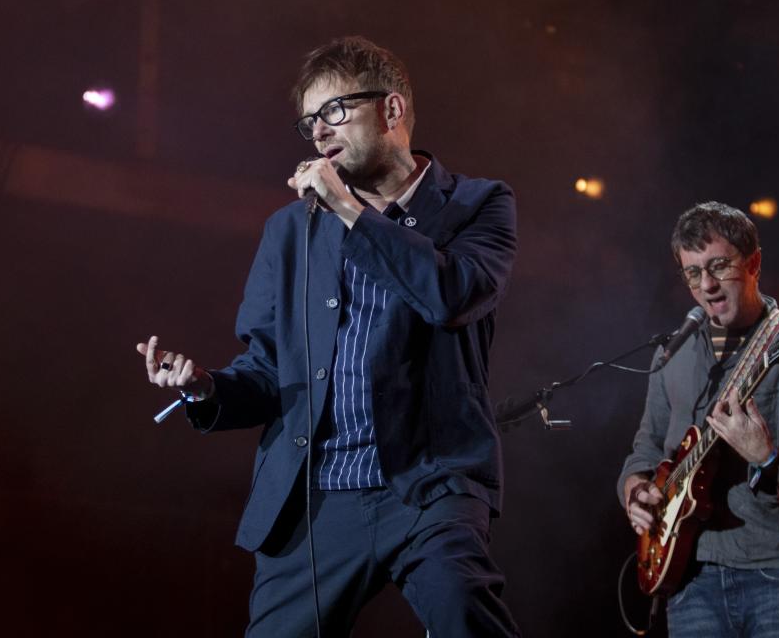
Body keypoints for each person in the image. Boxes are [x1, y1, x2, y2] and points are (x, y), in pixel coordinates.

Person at [137, 36, 520, 637]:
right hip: (317, 495)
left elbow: (454, 295)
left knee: (464, 612)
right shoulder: (289, 231)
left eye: (335, 112)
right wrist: (207, 388)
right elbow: (267, 369)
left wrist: (349, 210)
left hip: (428, 484)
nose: (319, 132)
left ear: (392, 110)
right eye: (310, 121)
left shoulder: (476, 204)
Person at [617, 201, 779, 637]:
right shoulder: (673, 352)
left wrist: (766, 456)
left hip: (775, 573)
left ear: (754, 262)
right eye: (692, 273)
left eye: (719, 266)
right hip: (687, 576)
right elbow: (645, 448)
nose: (707, 285)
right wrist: (635, 490)